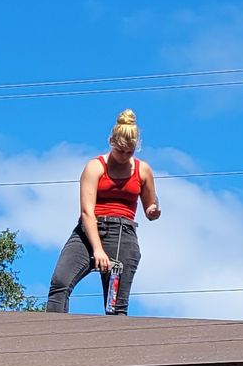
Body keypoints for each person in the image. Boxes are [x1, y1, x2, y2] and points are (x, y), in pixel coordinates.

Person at [45, 110, 161, 315]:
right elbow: (86, 212)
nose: (124, 156)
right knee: (60, 282)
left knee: (116, 305)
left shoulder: (143, 170)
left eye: (129, 152)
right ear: (111, 142)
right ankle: (51, 329)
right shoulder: (95, 167)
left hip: (123, 235)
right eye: (120, 151)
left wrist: (153, 210)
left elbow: (150, 205)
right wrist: (97, 249)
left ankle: (115, 335)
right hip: (89, 231)